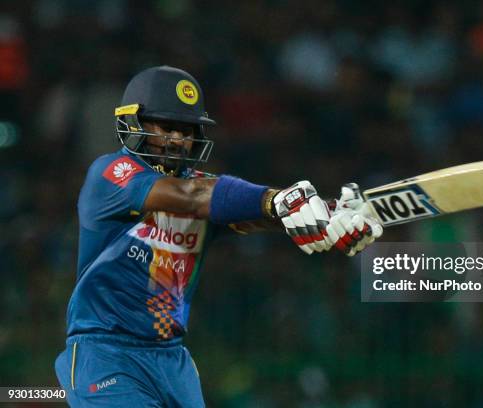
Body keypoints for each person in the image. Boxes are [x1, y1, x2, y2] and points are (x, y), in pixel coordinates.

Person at [54, 65, 383, 407]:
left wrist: (329, 217)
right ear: (134, 124)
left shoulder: (203, 190)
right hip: (107, 353)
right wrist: (278, 200)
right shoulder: (110, 174)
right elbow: (196, 195)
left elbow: (258, 214)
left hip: (172, 360)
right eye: (167, 127)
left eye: (187, 130)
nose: (178, 140)